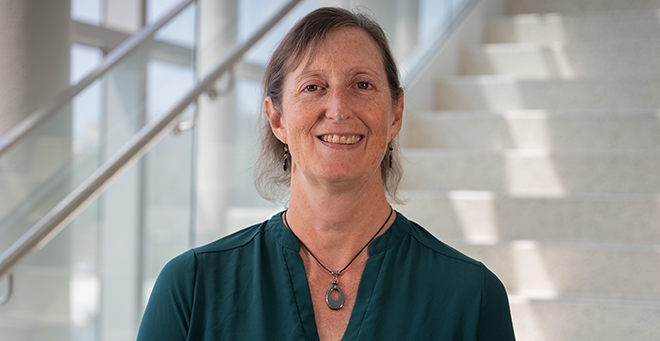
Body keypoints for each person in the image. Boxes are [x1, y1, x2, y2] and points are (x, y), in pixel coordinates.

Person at [137, 7, 515, 341]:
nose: (338, 109)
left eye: (362, 85)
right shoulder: (191, 288)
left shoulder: (472, 297)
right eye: (313, 87)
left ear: (395, 113)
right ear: (277, 119)